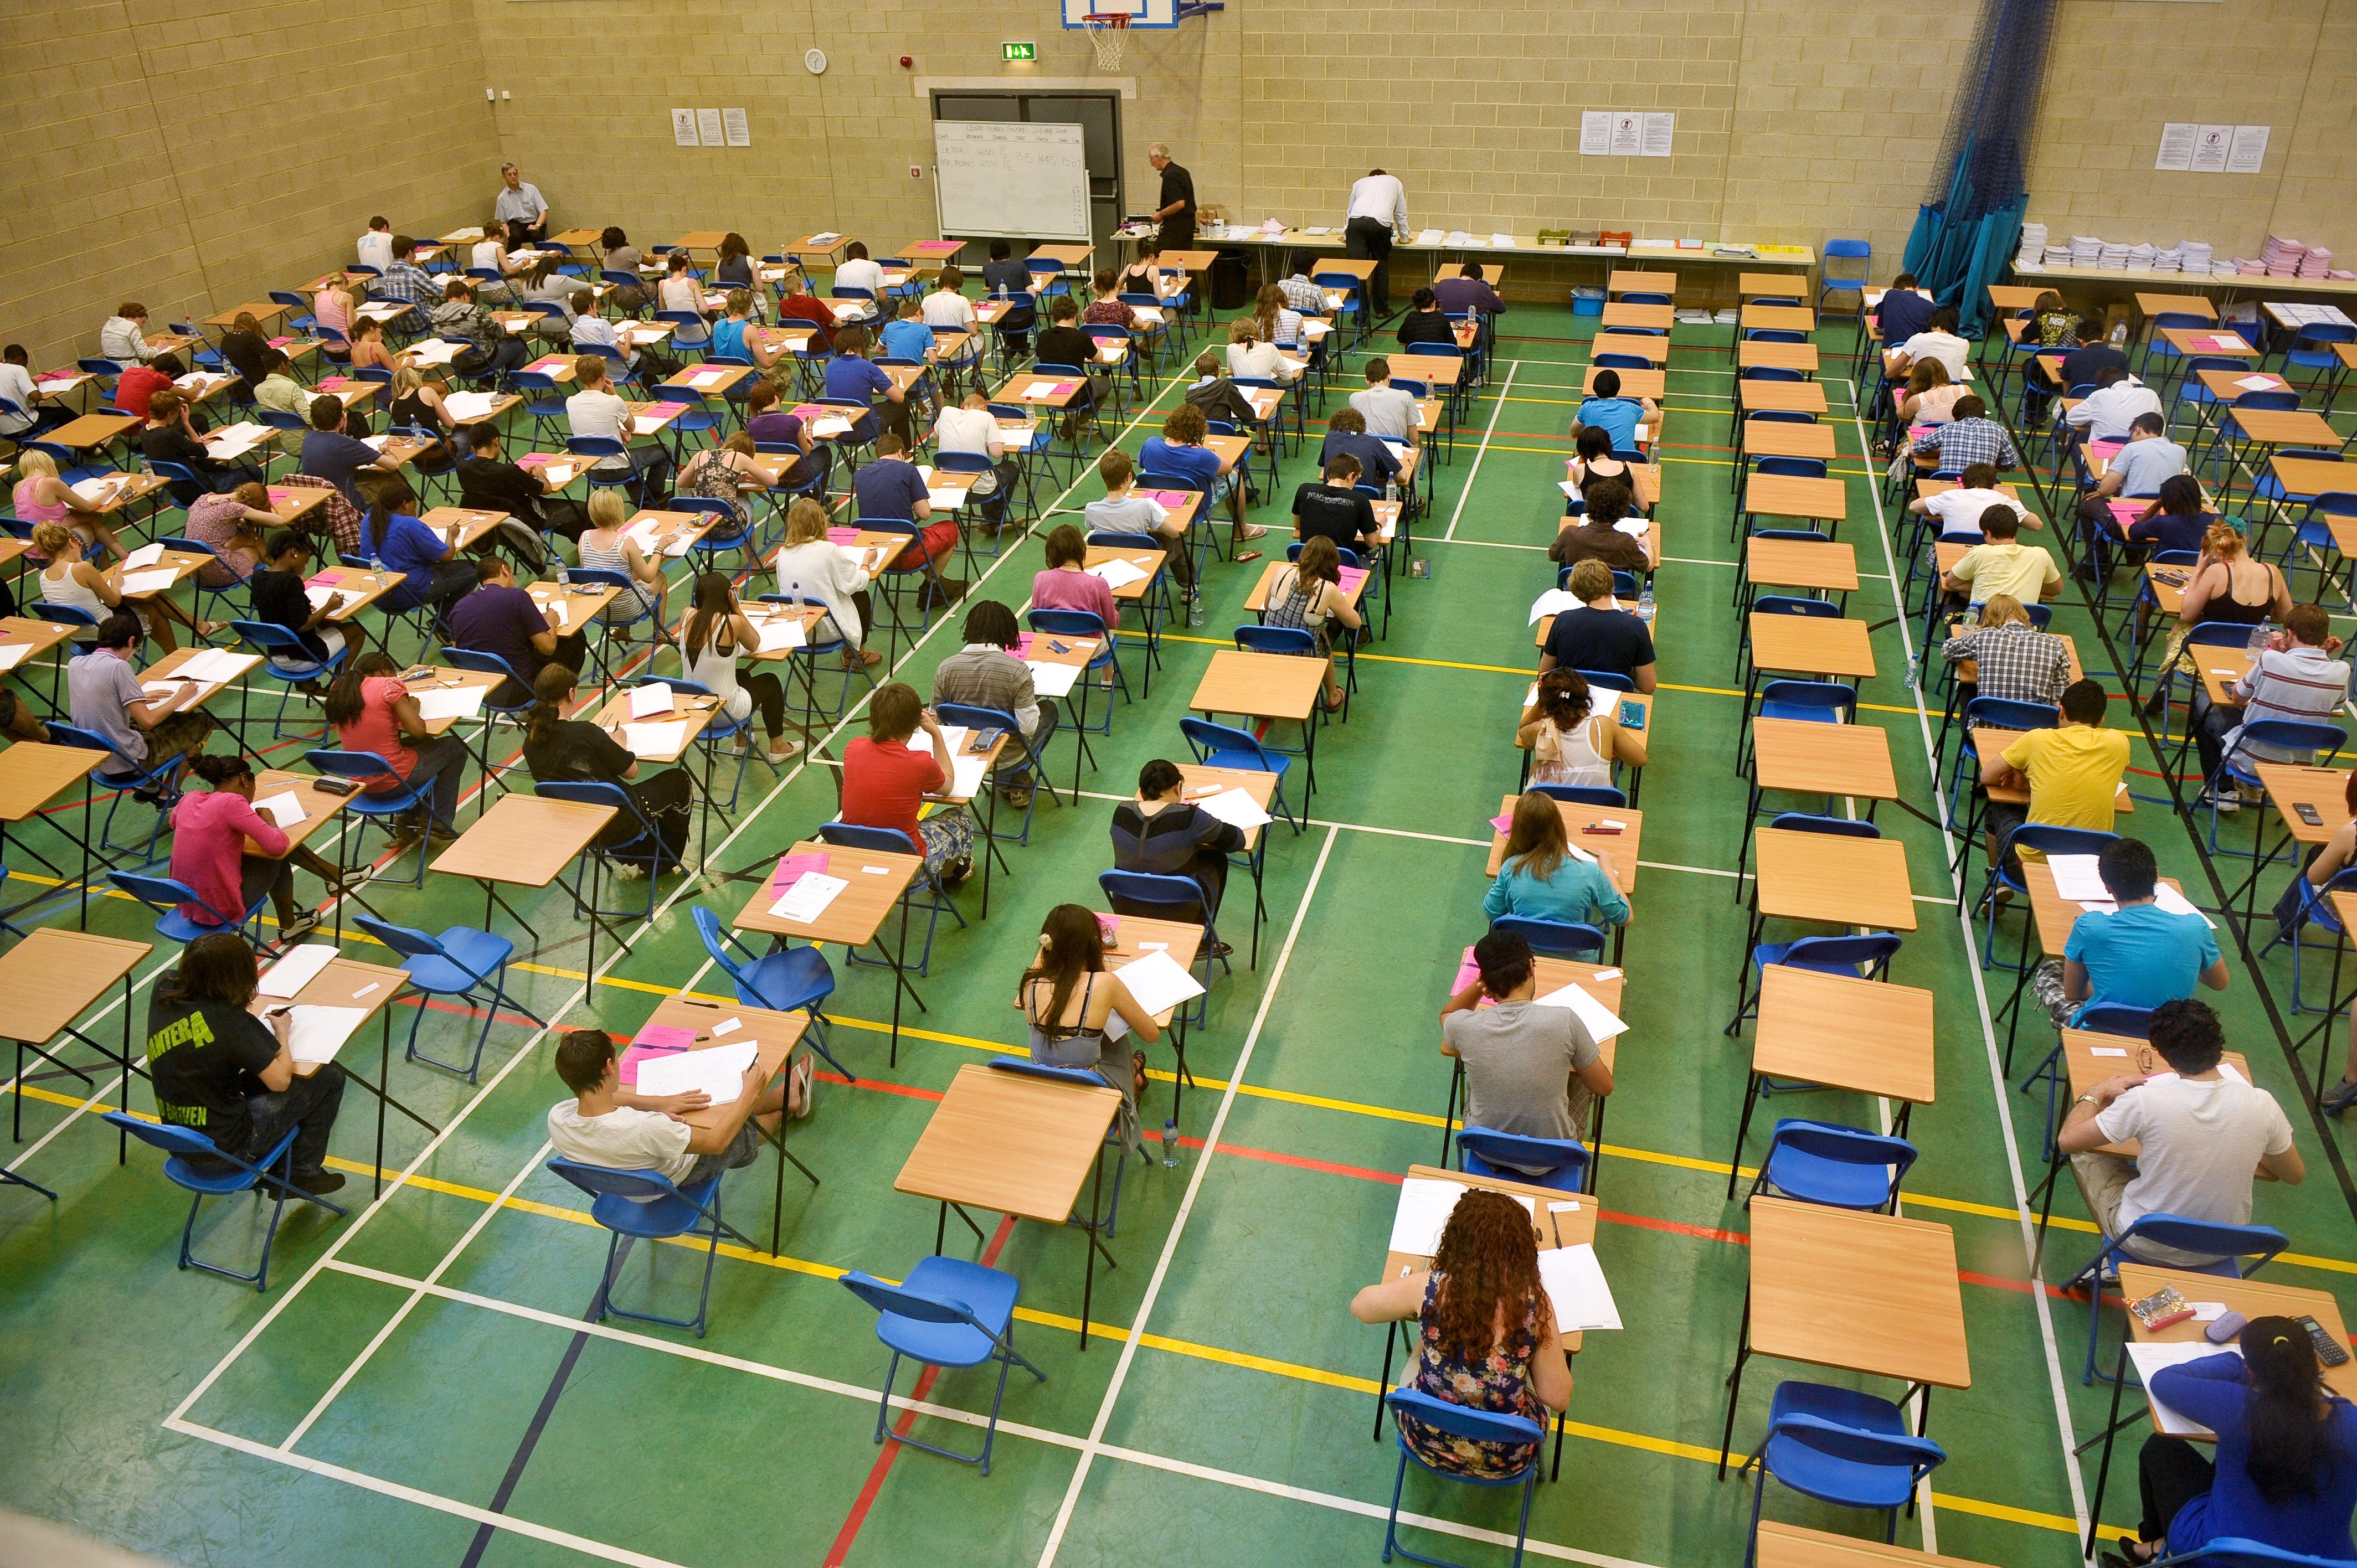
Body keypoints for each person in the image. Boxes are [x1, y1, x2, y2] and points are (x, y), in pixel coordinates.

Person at [2057, 996, 2302, 1266]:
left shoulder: (2144, 1100)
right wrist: (2252, 1139)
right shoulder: (2263, 1103)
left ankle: (2111, 1261)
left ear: (2162, 1053)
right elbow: (2293, 1175)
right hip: (2220, 1247)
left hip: (2146, 1240)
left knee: (2087, 1153)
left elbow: (2068, 1141)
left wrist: (2095, 1094)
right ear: (2219, 1045)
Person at [1350, 1184, 1573, 1479]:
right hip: (1504, 1457)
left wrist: (1421, 1304)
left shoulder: (1431, 1287)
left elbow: (1361, 1307)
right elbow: (1558, 1398)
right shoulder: (1534, 1305)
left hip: (1425, 1439)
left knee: (1422, 1347)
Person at [2108, 1317, 2357, 1568]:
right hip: (2326, 1564)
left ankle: (2161, 1554)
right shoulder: (2351, 1422)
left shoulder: (2238, 1406)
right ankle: (2158, 1549)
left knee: (2160, 1449)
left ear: (2252, 1371)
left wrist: (2233, 1363)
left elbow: (2163, 1381)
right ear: (2314, 1363)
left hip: (2225, 1558)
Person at [147, 932, 347, 1198]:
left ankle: (289, 1167)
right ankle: (301, 1174)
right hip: (225, 1151)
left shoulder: (164, 988)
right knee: (328, 1078)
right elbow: (280, 1081)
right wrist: (282, 1033)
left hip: (181, 1138)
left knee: (246, 1077)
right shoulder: (229, 1021)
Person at [545, 1028, 806, 1199]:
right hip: (674, 1179)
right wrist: (749, 1092)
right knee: (743, 1130)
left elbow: (611, 1097)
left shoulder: (559, 1117)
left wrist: (659, 1103)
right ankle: (787, 1106)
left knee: (701, 1109)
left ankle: (783, 1096)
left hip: (627, 1186)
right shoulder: (645, 1128)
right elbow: (717, 1143)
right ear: (609, 1068)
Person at [1437, 929, 1614, 1169]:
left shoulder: (1465, 1027)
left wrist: (1481, 983)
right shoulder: (1565, 1020)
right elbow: (1604, 1087)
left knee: (1477, 1071)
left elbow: (1448, 1014)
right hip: (1553, 1155)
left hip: (1487, 1149)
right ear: (1531, 968)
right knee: (1583, 1080)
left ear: (1487, 982)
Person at [521, 663, 694, 871]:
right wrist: (619, 742)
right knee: (679, 781)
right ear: (571, 693)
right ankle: (664, 860)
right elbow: (631, 772)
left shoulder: (531, 744)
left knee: (599, 796)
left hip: (579, 828)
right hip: (619, 822)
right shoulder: (585, 732)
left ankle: (636, 854)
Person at [170, 753, 349, 941]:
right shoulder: (232, 802)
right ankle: (332, 880)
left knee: (264, 854)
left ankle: (333, 878)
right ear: (244, 780)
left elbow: (175, 823)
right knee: (276, 856)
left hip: (187, 902)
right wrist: (270, 822)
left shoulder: (189, 798)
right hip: (219, 909)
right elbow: (277, 846)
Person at [1019, 905, 1162, 1134]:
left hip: (1045, 1083)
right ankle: (1132, 1076)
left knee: (1090, 1033)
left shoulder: (1029, 983)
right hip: (1090, 1088)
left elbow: (1031, 991)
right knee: (1116, 1038)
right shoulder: (1105, 984)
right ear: (1092, 945)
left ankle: (1133, 1073)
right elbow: (1152, 1035)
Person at [2195, 601, 2351, 808]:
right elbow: (2335, 705)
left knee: (2204, 702)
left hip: (2251, 757)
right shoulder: (2341, 670)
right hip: (2298, 762)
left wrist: (2279, 654)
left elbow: (2238, 697)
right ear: (2326, 635)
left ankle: (2222, 788)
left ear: (2289, 633)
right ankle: (2252, 789)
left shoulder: (2271, 659)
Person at [2056, 837, 2227, 1025]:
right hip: (2168, 1035)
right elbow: (2219, 983)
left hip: (2102, 1030)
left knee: (2049, 972)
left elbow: (2073, 993)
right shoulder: (2196, 928)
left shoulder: (2088, 926)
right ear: (2156, 875)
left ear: (2106, 885)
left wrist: (2109, 988)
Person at [325, 651, 468, 847]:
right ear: (384, 671)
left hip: (361, 782)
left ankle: (408, 817)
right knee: (454, 747)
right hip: (392, 782)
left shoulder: (341, 689)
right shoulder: (388, 686)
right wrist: (412, 708)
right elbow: (418, 731)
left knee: (422, 749)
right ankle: (436, 820)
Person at [1979, 678, 2128, 865]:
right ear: (2100, 722)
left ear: (2062, 710)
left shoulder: (2037, 739)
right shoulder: (2119, 743)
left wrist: (2025, 782)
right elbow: (2077, 780)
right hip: (2086, 870)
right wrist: (2028, 785)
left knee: (1997, 809)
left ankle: (1998, 882)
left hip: (2028, 867)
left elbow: (1986, 777)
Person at [840, 682, 972, 885]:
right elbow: (949, 786)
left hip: (857, 856)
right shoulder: (919, 764)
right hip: (904, 866)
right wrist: (936, 733)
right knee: (961, 819)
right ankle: (947, 875)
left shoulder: (853, 748)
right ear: (914, 724)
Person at [933, 599, 1054, 804]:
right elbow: (1027, 728)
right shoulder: (1017, 670)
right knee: (1050, 710)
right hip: (1009, 756)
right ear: (1007, 632)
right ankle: (1013, 778)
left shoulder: (945, 668)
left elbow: (935, 720)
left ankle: (1009, 782)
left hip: (965, 754)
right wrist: (1029, 701)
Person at [66, 612, 214, 780]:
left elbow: (98, 697)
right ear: (131, 641)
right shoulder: (119, 667)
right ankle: (166, 793)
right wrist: (180, 697)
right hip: (127, 763)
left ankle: (152, 789)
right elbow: (148, 721)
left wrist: (135, 696)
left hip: (97, 759)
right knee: (201, 722)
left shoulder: (75, 664)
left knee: (159, 722)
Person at [680, 571, 801, 764]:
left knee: (741, 675)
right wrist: (735, 606)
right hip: (723, 712)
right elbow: (754, 643)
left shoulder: (686, 615)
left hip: (695, 709)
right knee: (770, 682)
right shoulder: (732, 623)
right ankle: (778, 748)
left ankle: (741, 740)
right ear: (727, 596)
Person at [1110, 758, 1247, 917]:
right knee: (1217, 858)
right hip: (1180, 911)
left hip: (1126, 906)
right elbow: (1237, 841)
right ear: (1178, 788)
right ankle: (1204, 938)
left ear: (1141, 793)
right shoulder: (1190, 817)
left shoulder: (1121, 812)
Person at [35, 520, 195, 652]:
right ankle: (174, 657)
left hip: (79, 637)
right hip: (104, 633)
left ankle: (196, 628)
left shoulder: (42, 576)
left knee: (145, 603)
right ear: (72, 542)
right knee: (153, 611)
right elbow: (113, 601)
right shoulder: (82, 568)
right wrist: (116, 584)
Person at [1483, 791, 1629, 930]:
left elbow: (1491, 912)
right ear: (1559, 826)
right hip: (1575, 954)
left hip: (1522, 953)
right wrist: (1608, 871)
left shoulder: (1511, 867)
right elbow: (1625, 918)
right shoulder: (1590, 872)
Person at [446, 554, 583, 704]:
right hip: (522, 688)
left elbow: (456, 649)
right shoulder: (517, 596)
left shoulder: (458, 607)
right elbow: (548, 647)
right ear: (505, 570)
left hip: (485, 692)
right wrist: (550, 621)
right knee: (576, 638)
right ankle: (554, 702)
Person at [2076, 412, 2189, 577]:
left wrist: (2114, 463)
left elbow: (2106, 489)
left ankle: (2098, 566)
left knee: (2087, 503)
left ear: (2138, 430)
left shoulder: (2131, 449)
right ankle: (2135, 554)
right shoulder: (2180, 451)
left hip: (2130, 524)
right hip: (2162, 525)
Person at [1144, 403, 1265, 553]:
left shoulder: (1151, 445)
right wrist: (1206, 450)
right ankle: (1241, 530)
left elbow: (1144, 465)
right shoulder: (1202, 456)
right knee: (1236, 476)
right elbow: (1227, 467)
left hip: (1159, 503)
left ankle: (1184, 525)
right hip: (1196, 506)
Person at [854, 434, 960, 606]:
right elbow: (925, 514)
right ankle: (930, 585)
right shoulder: (908, 470)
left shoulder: (860, 475)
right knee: (950, 529)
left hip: (875, 554)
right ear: (901, 453)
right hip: (905, 553)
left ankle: (934, 578)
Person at [775, 496, 879, 669]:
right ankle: (855, 656)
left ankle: (852, 655)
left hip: (798, 630)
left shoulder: (783, 553)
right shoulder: (828, 550)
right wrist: (867, 563)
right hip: (828, 629)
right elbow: (855, 583)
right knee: (861, 596)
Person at [1264, 534, 1361, 713]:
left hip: (1265, 650)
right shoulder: (1327, 589)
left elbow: (1266, 604)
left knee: (1318, 631)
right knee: (1322, 639)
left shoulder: (1282, 571)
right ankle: (1332, 696)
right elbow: (1355, 623)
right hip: (1300, 657)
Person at [1085, 447, 1193, 605]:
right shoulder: (1143, 506)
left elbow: (1091, 526)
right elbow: (1174, 532)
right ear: (1129, 476)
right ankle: (1187, 587)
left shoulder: (1091, 509)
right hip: (1139, 562)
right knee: (1177, 542)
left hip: (1109, 561)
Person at [358, 478, 472, 620]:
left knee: (440, 572)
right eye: (414, 506)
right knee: (473, 570)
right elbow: (446, 556)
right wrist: (451, 535)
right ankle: (445, 620)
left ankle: (444, 621)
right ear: (405, 504)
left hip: (380, 595)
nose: (415, 511)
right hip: (410, 591)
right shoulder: (409, 524)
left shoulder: (368, 521)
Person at [457, 424, 588, 545]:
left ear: (473, 447)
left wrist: (521, 476)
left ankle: (581, 542)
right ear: (496, 441)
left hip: (494, 525)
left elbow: (491, 483)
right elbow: (546, 489)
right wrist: (541, 475)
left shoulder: (462, 468)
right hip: (527, 518)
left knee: (566, 517)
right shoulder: (508, 471)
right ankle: (589, 547)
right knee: (581, 509)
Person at [1518, 667, 1645, 790]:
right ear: (1585, 700)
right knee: (1607, 769)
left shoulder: (1540, 730)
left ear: (1547, 703)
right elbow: (1640, 759)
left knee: (1536, 767)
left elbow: (1523, 731)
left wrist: (1542, 700)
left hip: (1550, 808)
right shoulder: (1603, 726)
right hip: (1595, 807)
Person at [567, 353, 671, 502]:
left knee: (628, 456)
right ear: (603, 376)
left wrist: (617, 430)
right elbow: (631, 426)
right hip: (618, 468)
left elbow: (594, 423)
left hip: (590, 470)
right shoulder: (614, 401)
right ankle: (652, 499)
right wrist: (615, 394)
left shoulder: (570, 402)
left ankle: (644, 498)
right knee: (664, 450)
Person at [1538, 559, 1656, 691]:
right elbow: (1648, 686)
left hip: (1570, 699)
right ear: (1612, 585)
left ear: (1577, 593)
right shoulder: (1636, 626)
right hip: (1616, 698)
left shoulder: (1563, 620)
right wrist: (1627, 672)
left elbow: (1544, 674)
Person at [1939, 594, 2073, 707]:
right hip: (2036, 729)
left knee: (1967, 688)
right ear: (2024, 616)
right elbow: (2059, 700)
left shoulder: (1984, 636)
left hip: (1987, 723)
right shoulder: (2055, 643)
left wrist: (1974, 646)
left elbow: (1947, 651)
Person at [246, 531, 346, 680]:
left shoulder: (258, 577)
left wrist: (301, 604)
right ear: (294, 553)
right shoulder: (291, 581)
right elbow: (303, 625)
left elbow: (264, 602)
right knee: (356, 632)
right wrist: (329, 606)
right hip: (302, 657)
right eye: (305, 561)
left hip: (275, 654)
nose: (305, 567)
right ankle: (338, 685)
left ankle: (308, 685)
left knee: (324, 627)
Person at [575, 488, 668, 641]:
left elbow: (595, 569)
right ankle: (660, 632)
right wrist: (659, 549)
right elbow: (649, 576)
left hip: (598, 609)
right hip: (628, 609)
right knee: (660, 577)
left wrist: (633, 556)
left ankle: (623, 631)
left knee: (626, 577)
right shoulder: (625, 542)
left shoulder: (584, 538)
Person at [16, 448, 127, 561]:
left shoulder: (17, 488)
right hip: (55, 550)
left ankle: (117, 563)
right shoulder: (51, 483)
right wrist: (108, 491)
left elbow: (40, 519)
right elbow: (88, 507)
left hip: (33, 553)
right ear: (49, 464)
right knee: (93, 521)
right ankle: (123, 558)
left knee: (87, 519)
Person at [1942, 503, 2061, 607]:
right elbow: (2056, 589)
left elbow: (1951, 582)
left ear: (1988, 533)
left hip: (1983, 627)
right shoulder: (2041, 555)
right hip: (2023, 629)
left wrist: (1978, 585)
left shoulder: (1980, 552)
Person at [301, 393, 402, 509]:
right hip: (344, 502)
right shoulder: (347, 444)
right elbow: (393, 465)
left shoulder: (309, 438)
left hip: (320, 502)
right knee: (395, 482)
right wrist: (387, 451)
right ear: (341, 419)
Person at [678, 432, 782, 533]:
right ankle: (751, 550)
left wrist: (708, 480)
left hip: (703, 527)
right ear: (747, 452)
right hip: (731, 528)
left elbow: (681, 483)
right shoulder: (740, 457)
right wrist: (746, 477)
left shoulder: (700, 455)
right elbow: (773, 481)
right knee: (744, 496)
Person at [1909, 461, 2034, 543]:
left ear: (1962, 483)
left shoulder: (1951, 496)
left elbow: (1914, 507)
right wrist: (2017, 513)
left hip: (1953, 550)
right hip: (1991, 557)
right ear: (1994, 484)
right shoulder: (2004, 500)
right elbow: (2037, 525)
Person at [182, 481, 274, 590]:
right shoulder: (234, 507)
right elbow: (278, 522)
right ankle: (283, 572)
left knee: (244, 537)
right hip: (221, 574)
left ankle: (280, 572)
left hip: (198, 574)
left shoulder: (204, 499)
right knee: (254, 542)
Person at [1344, 166, 1409, 317]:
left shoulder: (1360, 182)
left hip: (1356, 223)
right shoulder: (1395, 182)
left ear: (1370, 177)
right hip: (1380, 224)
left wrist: (1346, 235)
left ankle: (1360, 313)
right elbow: (1401, 213)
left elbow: (1350, 211)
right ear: (1384, 176)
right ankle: (1381, 310)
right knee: (1380, 265)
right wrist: (1404, 237)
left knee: (1357, 269)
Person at [821, 324, 903, 446]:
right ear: (860, 346)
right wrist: (894, 382)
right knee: (903, 403)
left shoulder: (830, 367)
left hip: (839, 429)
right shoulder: (867, 367)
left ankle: (884, 441)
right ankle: (899, 450)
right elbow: (899, 397)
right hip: (865, 428)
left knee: (871, 407)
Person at [1548, 477, 1650, 572]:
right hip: (1614, 591)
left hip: (1576, 589)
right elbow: (1648, 567)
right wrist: (1648, 543)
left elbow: (1551, 556)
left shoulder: (1570, 534)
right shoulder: (1626, 542)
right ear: (1621, 511)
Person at [1032, 523, 1119, 631]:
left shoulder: (1040, 578)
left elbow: (1038, 613)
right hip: (1091, 644)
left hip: (1055, 642)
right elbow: (1111, 623)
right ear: (1082, 550)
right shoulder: (1099, 584)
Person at [1291, 454, 1381, 558]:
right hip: (1340, 563)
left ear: (1329, 476)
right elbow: (1372, 542)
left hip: (1309, 560)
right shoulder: (1360, 500)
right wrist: (1379, 523)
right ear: (1350, 476)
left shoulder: (1304, 490)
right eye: (1356, 480)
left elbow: (1298, 524)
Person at [1909, 395, 2020, 475]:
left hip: (1949, 487)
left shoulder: (1948, 428)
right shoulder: (1998, 430)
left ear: (1956, 415)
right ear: (1983, 415)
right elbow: (2012, 464)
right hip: (1982, 488)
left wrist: (1942, 452)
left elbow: (1915, 449)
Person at [743, 378, 817, 488]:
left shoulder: (752, 426)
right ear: (775, 397)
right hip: (797, 476)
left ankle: (810, 500)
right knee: (825, 453)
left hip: (771, 476)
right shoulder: (793, 422)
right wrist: (809, 431)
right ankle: (817, 500)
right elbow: (806, 452)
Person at [383, 365, 456, 474]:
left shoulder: (393, 405)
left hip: (419, 461)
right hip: (443, 457)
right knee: (469, 433)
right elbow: (450, 425)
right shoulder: (426, 392)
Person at [2067, 365, 2165, 445]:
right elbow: (2161, 429)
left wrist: (2094, 421)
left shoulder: (2100, 395)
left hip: (2104, 456)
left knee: (2075, 439)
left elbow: (2071, 418)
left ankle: (2083, 469)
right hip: (2142, 454)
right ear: (2128, 381)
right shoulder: (2150, 394)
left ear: (2104, 388)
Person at [1319, 405, 1402, 495]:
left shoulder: (1330, 437)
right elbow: (1402, 477)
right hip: (1364, 499)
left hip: (1331, 498)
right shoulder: (1374, 443)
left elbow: (1324, 468)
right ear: (1362, 426)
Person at [1574, 368, 1656, 455]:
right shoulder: (1631, 408)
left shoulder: (1587, 408)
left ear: (1595, 389)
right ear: (1618, 388)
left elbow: (1574, 431)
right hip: (1626, 462)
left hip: (1595, 460)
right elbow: (1655, 417)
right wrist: (1649, 403)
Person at [979, 240, 1038, 357]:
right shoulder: (1021, 266)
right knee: (1022, 311)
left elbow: (987, 285)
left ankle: (1012, 346)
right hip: (1025, 321)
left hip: (1001, 322)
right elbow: (1032, 295)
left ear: (992, 255)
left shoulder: (987, 268)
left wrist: (992, 263)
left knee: (1006, 312)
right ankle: (1020, 347)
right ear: (1009, 253)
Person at [1884, 305, 1970, 381]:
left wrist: (1909, 363)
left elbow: (1890, 373)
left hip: (1921, 392)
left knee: (1896, 381)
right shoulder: (1964, 344)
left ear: (1933, 321)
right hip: (1951, 394)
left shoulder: (1918, 339)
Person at [1350, 358, 1422, 446]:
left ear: (1368, 382)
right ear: (1389, 377)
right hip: (1397, 451)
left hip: (1367, 449)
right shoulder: (1406, 396)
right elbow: (1414, 439)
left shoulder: (1354, 398)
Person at [1183, 349, 1260, 429]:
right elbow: (1248, 415)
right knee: (1242, 434)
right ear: (1219, 368)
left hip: (1200, 436)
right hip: (1223, 434)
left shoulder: (1191, 391)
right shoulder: (1226, 386)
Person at [1871, 274, 1937, 362]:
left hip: (1890, 354)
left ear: (1895, 288)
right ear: (1917, 288)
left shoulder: (1890, 295)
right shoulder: (1930, 306)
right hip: (1916, 358)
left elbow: (1881, 325)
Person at [1563, 424, 1632, 507]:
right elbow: (1644, 507)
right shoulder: (1628, 467)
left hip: (1592, 516)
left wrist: (1583, 457)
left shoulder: (1581, 469)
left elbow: (1576, 485)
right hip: (1622, 517)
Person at [369, 236, 439, 314]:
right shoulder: (414, 273)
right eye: (415, 253)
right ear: (409, 253)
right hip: (421, 320)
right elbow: (440, 292)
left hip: (398, 320)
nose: (415, 257)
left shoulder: (387, 272)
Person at [1146, 142, 1196, 251]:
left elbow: (1179, 204)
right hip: (1187, 227)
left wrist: (1161, 214)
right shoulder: (1182, 171)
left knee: (1160, 255)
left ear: (1158, 157)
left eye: (1151, 160)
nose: (1151, 164)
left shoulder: (1170, 175)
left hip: (1176, 228)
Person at [775, 271, 839, 353]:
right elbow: (838, 324)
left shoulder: (784, 305)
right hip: (823, 343)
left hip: (799, 345)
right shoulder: (813, 302)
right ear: (802, 285)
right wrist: (830, 313)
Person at [1226, 315, 1298, 387]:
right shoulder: (1269, 347)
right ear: (1255, 330)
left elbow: (1231, 370)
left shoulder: (1231, 349)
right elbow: (1287, 376)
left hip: (1242, 393)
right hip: (1266, 389)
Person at [1895, 358, 1964, 428]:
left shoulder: (1917, 400)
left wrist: (1908, 394)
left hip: (1925, 438)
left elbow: (1900, 414)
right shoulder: (1964, 389)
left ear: (1917, 378)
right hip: (1955, 436)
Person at [494, 163, 548, 247]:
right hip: (517, 225)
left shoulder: (531, 189)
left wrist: (537, 226)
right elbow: (504, 223)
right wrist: (509, 237)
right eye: (510, 175)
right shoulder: (502, 198)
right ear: (504, 177)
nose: (513, 177)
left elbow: (544, 210)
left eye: (515, 174)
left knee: (537, 237)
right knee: (514, 240)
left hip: (534, 223)